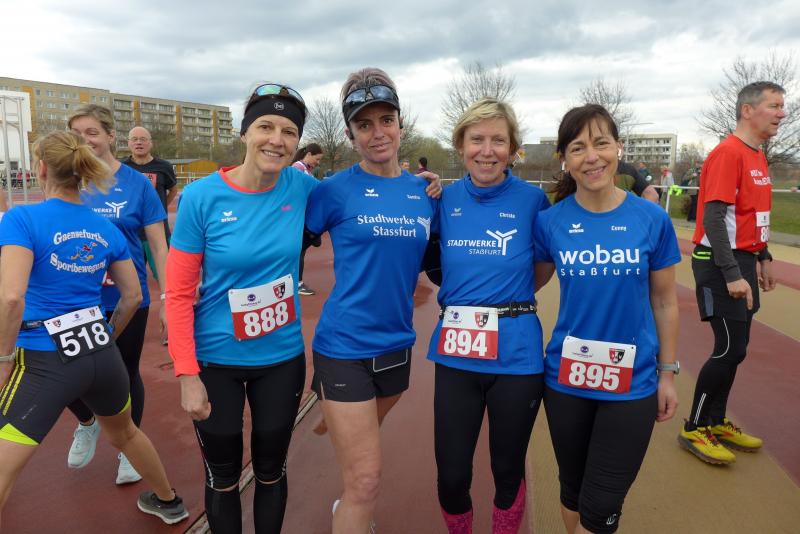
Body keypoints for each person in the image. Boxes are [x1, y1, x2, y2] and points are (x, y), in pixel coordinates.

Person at [0, 131, 188, 527]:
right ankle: (169, 501)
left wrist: (3, 358)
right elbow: (132, 296)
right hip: (100, 352)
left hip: (43, 358)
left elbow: (11, 298)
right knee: (126, 433)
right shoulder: (106, 228)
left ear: (41, 169)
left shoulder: (22, 218)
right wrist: (105, 338)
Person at [166, 83, 318, 533]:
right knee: (224, 476)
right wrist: (186, 374)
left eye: (289, 131)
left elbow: (359, 196)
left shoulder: (302, 187)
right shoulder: (201, 198)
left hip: (281, 359)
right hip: (216, 362)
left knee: (271, 470)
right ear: (245, 133)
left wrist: (421, 186)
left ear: (297, 142)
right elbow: (178, 294)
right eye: (265, 127)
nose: (277, 140)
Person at [534, 104, 680, 534]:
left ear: (619, 148)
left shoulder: (651, 219)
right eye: (578, 148)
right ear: (565, 159)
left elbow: (665, 302)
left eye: (601, 143)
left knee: (600, 510)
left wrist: (667, 374)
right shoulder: (550, 222)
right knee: (572, 492)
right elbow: (523, 285)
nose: (592, 156)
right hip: (566, 380)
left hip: (632, 383)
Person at [305, 67, 437, 534]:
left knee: (361, 459)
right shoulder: (332, 192)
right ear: (349, 134)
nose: (377, 133)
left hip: (398, 345)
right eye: (364, 125)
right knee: (364, 481)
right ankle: (351, 504)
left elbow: (443, 264)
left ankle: (337, 421)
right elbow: (285, 246)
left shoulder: (426, 192)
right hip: (344, 346)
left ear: (401, 123)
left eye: (386, 120)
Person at [425, 98, 550, 534]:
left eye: (499, 141)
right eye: (476, 139)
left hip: (517, 356)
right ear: (460, 145)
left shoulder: (534, 201)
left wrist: (505, 302)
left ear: (513, 149)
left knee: (508, 469)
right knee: (451, 474)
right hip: (456, 355)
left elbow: (542, 269)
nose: (487, 150)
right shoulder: (442, 199)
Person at [679, 81, 784, 464]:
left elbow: (751, 215)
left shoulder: (758, 155)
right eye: (774, 106)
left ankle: (716, 420)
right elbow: (713, 217)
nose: (782, 113)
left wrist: (763, 256)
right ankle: (694, 427)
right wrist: (731, 272)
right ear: (747, 110)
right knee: (728, 348)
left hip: (744, 260)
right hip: (718, 262)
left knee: (737, 350)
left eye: (782, 106)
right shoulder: (728, 153)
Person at [66, 104, 169, 485]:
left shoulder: (138, 184)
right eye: (77, 134)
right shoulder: (68, 179)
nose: (84, 140)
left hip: (128, 297)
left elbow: (158, 245)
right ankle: (87, 422)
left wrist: (167, 298)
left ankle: (130, 448)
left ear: (111, 136)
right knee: (67, 371)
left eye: (92, 132)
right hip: (77, 298)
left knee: (124, 372)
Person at [123, 126, 178, 282]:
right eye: (134, 139)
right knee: (130, 280)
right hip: (131, 233)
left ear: (151, 143)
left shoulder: (164, 167)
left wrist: (160, 209)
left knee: (167, 278)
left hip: (158, 232)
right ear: (128, 143)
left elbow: (173, 190)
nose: (138, 142)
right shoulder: (121, 167)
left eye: (143, 139)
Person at [291, 143, 324, 296]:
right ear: (309, 154)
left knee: (303, 248)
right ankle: (297, 283)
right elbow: (296, 192)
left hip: (305, 215)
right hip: (299, 216)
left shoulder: (306, 169)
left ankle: (295, 281)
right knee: (299, 250)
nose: (318, 162)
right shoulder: (297, 168)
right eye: (317, 159)